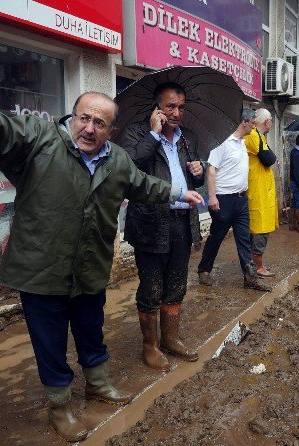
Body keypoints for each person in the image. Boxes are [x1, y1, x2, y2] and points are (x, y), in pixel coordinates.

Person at [0, 76, 204, 442]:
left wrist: (178, 192)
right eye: (83, 118)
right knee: (50, 341)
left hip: (89, 266)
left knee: (92, 331)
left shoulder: (117, 159)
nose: (89, 129)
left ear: (112, 129)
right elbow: (3, 130)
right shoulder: (40, 140)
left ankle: (98, 385)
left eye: (99, 123)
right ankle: (60, 406)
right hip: (42, 269)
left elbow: (142, 184)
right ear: (72, 117)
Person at [116, 82, 204, 371]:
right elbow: (128, 168)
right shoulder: (137, 133)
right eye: (170, 106)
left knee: (177, 285)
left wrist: (199, 172)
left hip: (182, 222)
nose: (177, 113)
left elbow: (191, 179)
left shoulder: (187, 138)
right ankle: (150, 346)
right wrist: (153, 134)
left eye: (181, 107)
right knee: (151, 287)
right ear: (157, 107)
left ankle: (171, 339)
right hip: (150, 223)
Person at [197, 108, 270, 292]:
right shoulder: (222, 143)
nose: (254, 128)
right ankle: (204, 270)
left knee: (244, 239)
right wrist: (212, 196)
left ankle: (250, 278)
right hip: (223, 200)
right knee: (216, 237)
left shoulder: (243, 143)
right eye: (252, 124)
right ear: (244, 122)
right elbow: (211, 169)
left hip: (241, 200)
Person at [244, 108, 279, 278]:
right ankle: (257, 267)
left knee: (261, 229)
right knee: (259, 230)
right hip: (257, 191)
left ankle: (254, 265)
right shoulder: (253, 135)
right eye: (271, 120)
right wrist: (273, 156)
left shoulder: (260, 136)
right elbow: (269, 158)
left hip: (262, 190)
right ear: (267, 121)